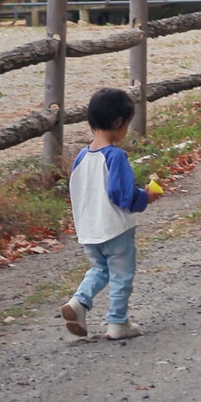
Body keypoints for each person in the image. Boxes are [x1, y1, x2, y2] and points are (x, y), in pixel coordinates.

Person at [61, 87, 151, 340]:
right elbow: (122, 196)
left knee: (100, 270)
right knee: (122, 275)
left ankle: (79, 303)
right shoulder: (116, 156)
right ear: (118, 122)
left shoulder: (81, 157)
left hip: (89, 230)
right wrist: (145, 196)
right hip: (115, 229)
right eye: (127, 125)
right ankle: (117, 322)